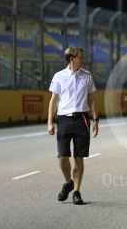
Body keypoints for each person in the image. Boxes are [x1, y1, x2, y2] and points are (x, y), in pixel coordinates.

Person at [48, 46, 99, 205]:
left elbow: (91, 99)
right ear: (72, 58)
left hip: (82, 119)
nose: (83, 60)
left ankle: (76, 191)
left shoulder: (87, 76)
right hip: (63, 119)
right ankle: (67, 182)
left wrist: (96, 119)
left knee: (79, 158)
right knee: (62, 156)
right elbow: (53, 101)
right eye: (80, 57)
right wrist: (50, 121)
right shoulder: (59, 76)